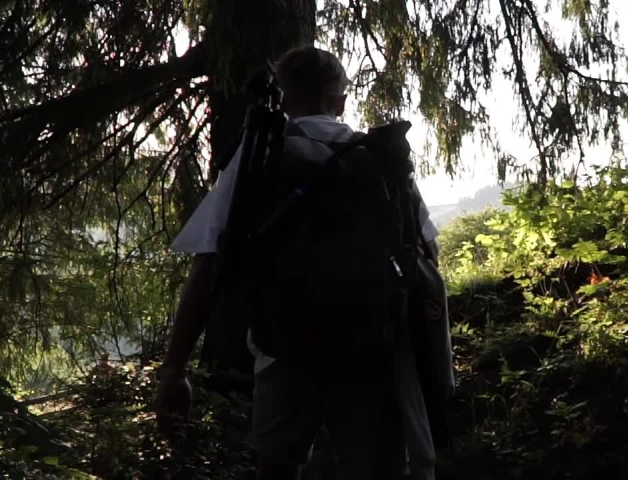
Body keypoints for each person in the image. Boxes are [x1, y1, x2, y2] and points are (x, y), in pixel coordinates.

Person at [153, 45, 446, 480]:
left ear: (285, 97)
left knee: (278, 467)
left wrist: (174, 369)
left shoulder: (262, 158)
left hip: (284, 350)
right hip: (369, 351)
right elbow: (425, 258)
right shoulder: (379, 159)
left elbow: (209, 263)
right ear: (341, 100)